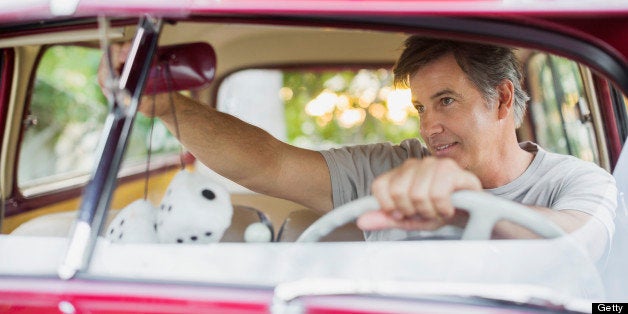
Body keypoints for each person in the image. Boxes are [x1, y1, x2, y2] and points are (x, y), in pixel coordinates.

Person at [99, 36, 616, 257]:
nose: (429, 127)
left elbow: (577, 240)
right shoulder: (390, 166)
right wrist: (165, 108)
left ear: (502, 99)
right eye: (420, 108)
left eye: (445, 101)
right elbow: (269, 165)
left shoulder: (577, 181)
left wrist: (460, 205)